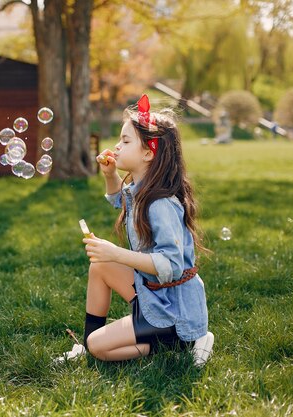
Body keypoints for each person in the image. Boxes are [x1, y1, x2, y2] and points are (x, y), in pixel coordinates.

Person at [77, 94, 213, 365]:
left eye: (125, 141)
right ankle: (88, 345)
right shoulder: (142, 192)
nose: (116, 146)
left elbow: (171, 265)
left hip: (172, 309)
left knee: (99, 347)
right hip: (154, 291)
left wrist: (116, 253)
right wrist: (110, 176)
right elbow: (120, 199)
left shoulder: (160, 204)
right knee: (99, 267)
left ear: (149, 153)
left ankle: (181, 341)